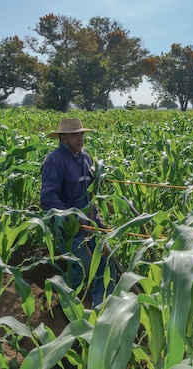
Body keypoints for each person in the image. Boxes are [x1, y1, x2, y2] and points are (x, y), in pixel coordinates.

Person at [40, 118, 116, 307]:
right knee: (88, 265)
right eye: (75, 135)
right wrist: (73, 217)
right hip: (68, 226)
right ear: (62, 138)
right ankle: (62, 304)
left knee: (108, 264)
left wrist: (97, 221)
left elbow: (89, 197)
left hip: (89, 223)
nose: (80, 138)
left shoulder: (85, 158)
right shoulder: (54, 161)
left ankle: (101, 308)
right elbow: (48, 199)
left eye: (81, 134)